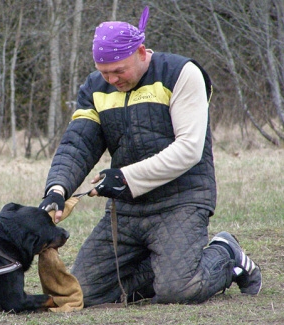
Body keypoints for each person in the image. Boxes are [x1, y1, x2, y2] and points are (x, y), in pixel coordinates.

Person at [39, 6, 262, 306]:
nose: (112, 79)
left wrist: (126, 177)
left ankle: (225, 252)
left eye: (119, 70)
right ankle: (164, 262)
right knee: (80, 294)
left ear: (141, 52)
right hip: (127, 210)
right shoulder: (95, 88)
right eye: (105, 73)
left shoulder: (182, 74)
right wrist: (56, 189)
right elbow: (77, 144)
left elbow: (189, 149)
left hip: (180, 201)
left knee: (178, 290)